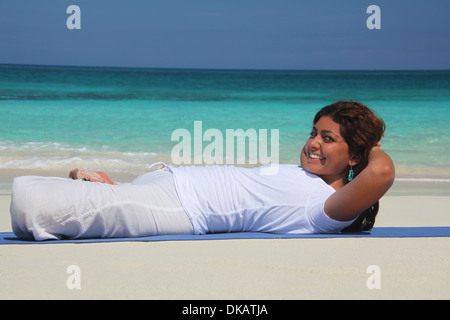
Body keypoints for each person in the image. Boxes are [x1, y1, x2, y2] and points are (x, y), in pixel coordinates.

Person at [10, 101, 395, 241]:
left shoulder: (327, 208)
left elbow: (381, 174)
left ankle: (113, 195)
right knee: (48, 203)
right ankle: (115, 191)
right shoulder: (304, 175)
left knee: (27, 205)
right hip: (169, 182)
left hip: (179, 211)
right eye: (313, 133)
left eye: (328, 139)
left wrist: (370, 145)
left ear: (354, 158)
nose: (313, 143)